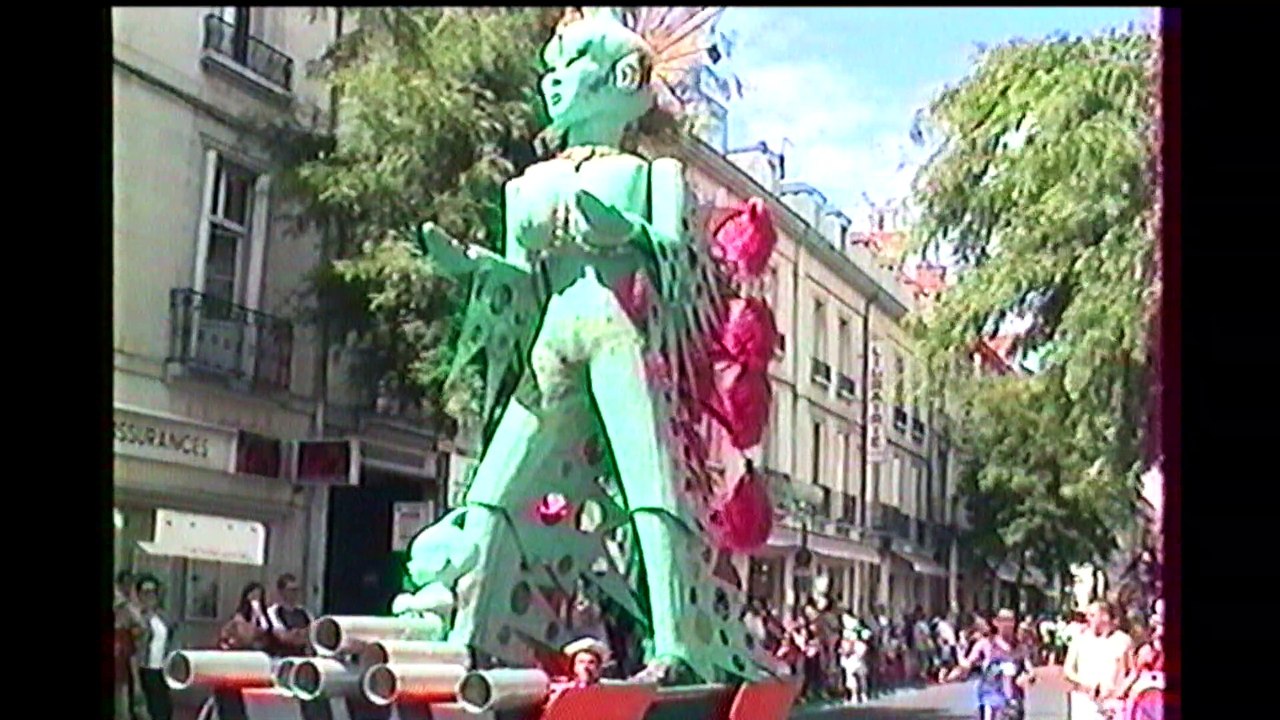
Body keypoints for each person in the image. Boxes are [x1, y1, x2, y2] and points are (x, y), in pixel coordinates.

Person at [945, 609, 1035, 719]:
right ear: (996, 622)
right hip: (989, 699)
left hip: (1012, 701)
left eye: (1011, 620)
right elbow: (968, 664)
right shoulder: (985, 644)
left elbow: (1030, 672)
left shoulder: (1020, 647)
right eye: (1004, 620)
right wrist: (954, 674)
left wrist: (1026, 677)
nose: (1008, 624)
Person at [1063, 601, 1133, 720]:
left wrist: (1120, 692)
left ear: (1104, 617)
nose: (1087, 618)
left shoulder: (1122, 640)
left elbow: (1131, 671)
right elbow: (1068, 670)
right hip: (1084, 702)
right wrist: (1086, 684)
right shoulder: (1080, 639)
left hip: (1112, 704)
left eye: (1092, 615)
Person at [133, 574, 176, 720]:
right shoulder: (136, 617)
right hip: (143, 670)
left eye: (153, 591)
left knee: (164, 711)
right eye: (145, 592)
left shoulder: (162, 617)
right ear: (139, 595)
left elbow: (171, 636)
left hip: (161, 670)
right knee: (146, 712)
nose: (149, 596)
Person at [115, 571, 144, 720]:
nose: (128, 587)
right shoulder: (123, 606)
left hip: (127, 658)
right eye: (125, 584)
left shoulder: (130, 606)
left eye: (130, 584)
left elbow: (140, 627)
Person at [266, 573, 313, 657]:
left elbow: (313, 635)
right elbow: (282, 637)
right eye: (291, 590)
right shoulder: (272, 613)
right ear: (281, 591)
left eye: (296, 590)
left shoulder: (305, 613)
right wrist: (301, 634)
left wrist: (297, 634)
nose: (294, 593)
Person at [219, 582, 272, 651]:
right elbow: (226, 633)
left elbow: (266, 630)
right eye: (253, 595)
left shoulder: (265, 615)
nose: (256, 599)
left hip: (260, 651)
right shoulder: (239, 617)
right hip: (242, 650)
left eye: (259, 596)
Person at [840, 626, 871, 704]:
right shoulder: (844, 644)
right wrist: (844, 652)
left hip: (858, 663)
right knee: (850, 679)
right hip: (849, 664)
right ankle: (853, 695)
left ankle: (863, 694)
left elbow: (861, 653)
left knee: (861, 676)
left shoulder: (859, 644)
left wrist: (854, 651)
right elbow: (843, 654)